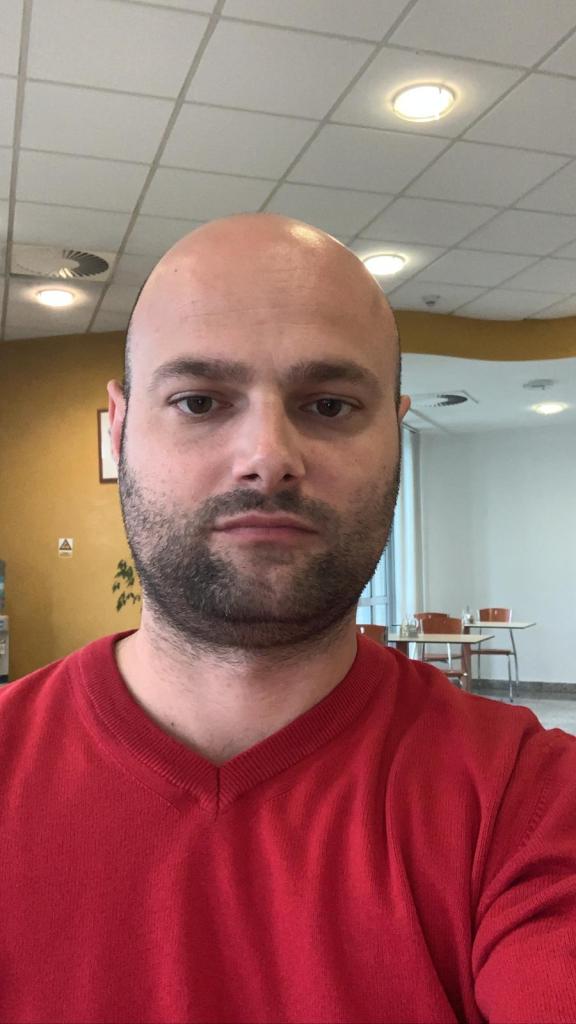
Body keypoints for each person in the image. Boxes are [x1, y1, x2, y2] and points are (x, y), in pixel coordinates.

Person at [0, 214, 574, 1024]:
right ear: (121, 430)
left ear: (395, 433)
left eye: (330, 405)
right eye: (199, 401)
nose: (268, 457)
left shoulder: (530, 799)